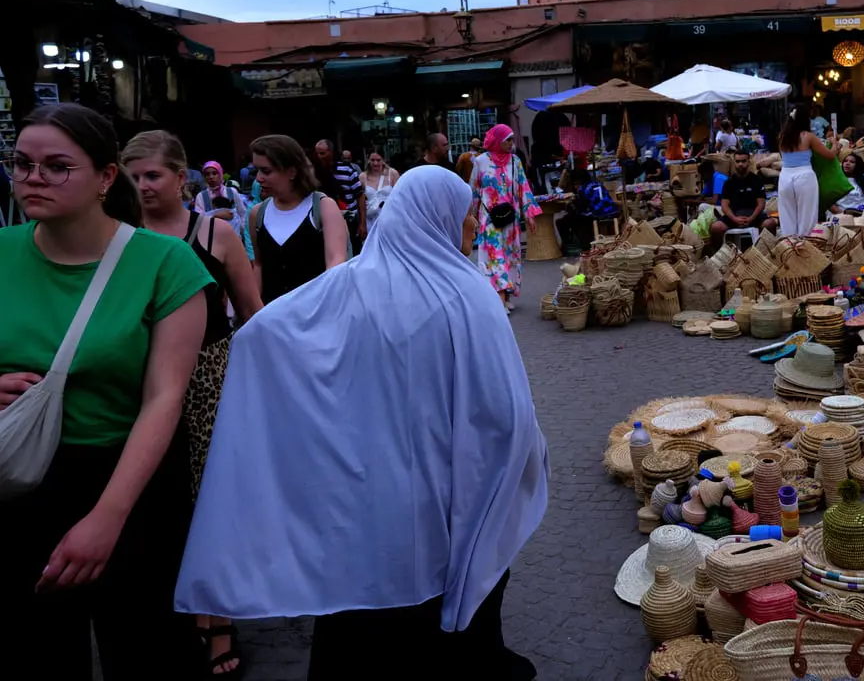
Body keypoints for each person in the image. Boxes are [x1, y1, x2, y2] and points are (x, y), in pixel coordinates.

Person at [174, 166, 548, 681]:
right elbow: (504, 412)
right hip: (443, 487)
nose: (472, 225)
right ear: (437, 216)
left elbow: (261, 334)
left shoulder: (347, 285)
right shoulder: (466, 293)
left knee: (364, 604)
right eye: (467, 213)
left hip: (365, 486)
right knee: (443, 598)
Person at [0, 103, 211, 679]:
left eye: (56, 166)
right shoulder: (2, 251)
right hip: (18, 480)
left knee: (147, 649)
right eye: (21, 163)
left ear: (105, 177)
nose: (33, 178)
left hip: (132, 481)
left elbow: (165, 398)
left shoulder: (166, 262)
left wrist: (107, 517)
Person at [121, 129, 262, 678]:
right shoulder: (120, 235)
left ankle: (217, 615)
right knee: (158, 500)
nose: (142, 185)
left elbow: (252, 313)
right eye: (133, 176)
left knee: (211, 500)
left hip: (208, 379)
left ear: (182, 178)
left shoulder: (214, 232)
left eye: (152, 175)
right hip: (139, 379)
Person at [248, 135, 350, 304]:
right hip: (273, 314)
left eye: (266, 171)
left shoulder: (323, 207)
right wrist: (255, 310)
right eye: (256, 170)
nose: (258, 178)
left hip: (315, 311)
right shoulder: (257, 214)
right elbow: (258, 266)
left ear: (292, 172)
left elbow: (336, 263)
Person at [471, 124, 541, 313]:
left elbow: (523, 186)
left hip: (510, 218)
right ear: (497, 140)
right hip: (489, 219)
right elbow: (474, 190)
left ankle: (507, 295)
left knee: (510, 256)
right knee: (494, 256)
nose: (511, 143)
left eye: (512, 139)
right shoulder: (480, 162)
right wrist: (471, 216)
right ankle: (499, 300)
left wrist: (529, 214)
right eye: (507, 140)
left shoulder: (515, 161)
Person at [777, 106, 838, 238]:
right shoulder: (808, 136)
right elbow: (830, 155)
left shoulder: (782, 136)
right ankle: (805, 245)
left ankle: (789, 244)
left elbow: (782, 156)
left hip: (785, 176)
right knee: (807, 216)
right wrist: (834, 144)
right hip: (804, 175)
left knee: (787, 214)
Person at [708, 148, 778, 248]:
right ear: (734, 163)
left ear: (748, 162)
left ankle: (766, 251)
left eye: (743, 161)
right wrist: (735, 219)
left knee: (770, 223)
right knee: (715, 227)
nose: (740, 164)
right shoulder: (729, 182)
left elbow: (761, 204)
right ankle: (721, 254)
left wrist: (751, 218)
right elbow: (724, 205)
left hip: (754, 215)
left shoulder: (757, 180)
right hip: (734, 216)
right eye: (737, 161)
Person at [313, 138, 367, 249]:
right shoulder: (314, 173)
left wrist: (362, 223)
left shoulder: (347, 170)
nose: (319, 157)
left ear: (331, 153)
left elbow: (360, 196)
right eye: (317, 153)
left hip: (348, 220)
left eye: (322, 153)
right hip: (323, 223)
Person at [193, 160, 248, 235]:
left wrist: (241, 230)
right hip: (212, 236)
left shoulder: (231, 192)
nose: (211, 177)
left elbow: (242, 213)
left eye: (214, 173)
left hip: (234, 235)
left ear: (220, 174)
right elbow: (198, 220)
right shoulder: (201, 196)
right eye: (207, 174)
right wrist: (216, 216)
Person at [361, 151, 399, 230]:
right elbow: (361, 203)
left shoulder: (393, 174)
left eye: (378, 160)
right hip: (370, 219)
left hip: (389, 219)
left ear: (383, 160)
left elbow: (399, 197)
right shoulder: (362, 177)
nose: (375, 163)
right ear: (368, 160)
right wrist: (362, 223)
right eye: (372, 160)